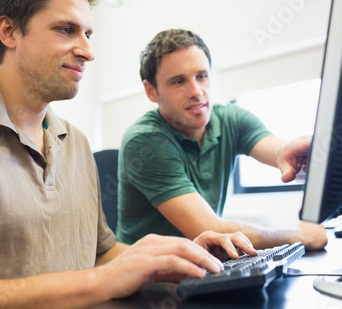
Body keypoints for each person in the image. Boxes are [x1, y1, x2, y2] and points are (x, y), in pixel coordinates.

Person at [0, 0, 257, 309]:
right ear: (9, 31)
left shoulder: (74, 142)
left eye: (88, 34)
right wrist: (99, 282)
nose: (88, 51)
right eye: (66, 30)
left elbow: (101, 254)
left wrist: (176, 258)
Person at [116, 29, 328, 250]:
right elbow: (209, 229)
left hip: (203, 266)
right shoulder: (145, 141)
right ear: (151, 91)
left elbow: (278, 151)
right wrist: (298, 236)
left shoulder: (230, 119)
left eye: (202, 76)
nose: (197, 91)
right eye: (179, 81)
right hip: (152, 280)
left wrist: (290, 155)